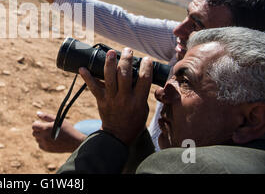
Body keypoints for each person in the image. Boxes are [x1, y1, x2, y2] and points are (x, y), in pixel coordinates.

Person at [0, 0, 265, 152]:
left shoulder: (236, 111)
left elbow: (170, 166)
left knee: (84, 134)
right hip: (152, 144)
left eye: (196, 24)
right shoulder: (183, 44)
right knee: (88, 126)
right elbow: (124, 24)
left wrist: (78, 143)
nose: (177, 30)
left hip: (160, 160)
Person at [57, 27, 265, 174]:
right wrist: (133, 133)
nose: (160, 94)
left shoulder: (197, 167)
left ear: (251, 119)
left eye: (185, 82)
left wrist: (114, 135)